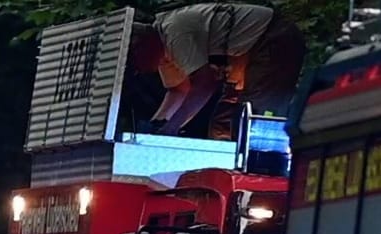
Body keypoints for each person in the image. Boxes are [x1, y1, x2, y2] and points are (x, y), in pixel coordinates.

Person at [128, 3, 306, 140]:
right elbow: (179, 90)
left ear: (142, 45)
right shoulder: (163, 51)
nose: (139, 70)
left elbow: (204, 84)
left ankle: (260, 172)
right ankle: (224, 177)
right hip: (241, 61)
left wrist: (172, 128)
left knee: (251, 121)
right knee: (222, 126)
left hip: (272, 38)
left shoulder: (174, 32)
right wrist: (156, 127)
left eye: (135, 62)